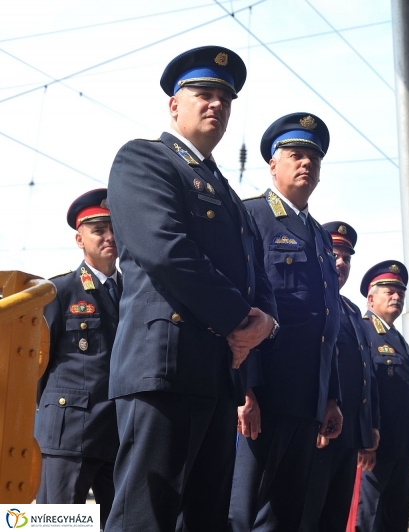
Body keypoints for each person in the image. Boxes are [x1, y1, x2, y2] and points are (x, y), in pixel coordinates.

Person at [105, 46, 278, 532]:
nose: (215, 105)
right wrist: (240, 321)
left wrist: (265, 322)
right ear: (173, 105)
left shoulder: (226, 192)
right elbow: (165, 250)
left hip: (220, 375)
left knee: (204, 519)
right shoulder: (145, 159)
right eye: (203, 93)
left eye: (225, 98)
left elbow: (255, 273)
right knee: (145, 517)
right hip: (165, 367)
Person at [228, 112, 342, 532]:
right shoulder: (252, 217)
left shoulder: (318, 236)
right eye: (295, 154)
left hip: (307, 396)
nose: (306, 163)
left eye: (314, 157)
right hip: (264, 393)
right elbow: (244, 306)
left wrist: (331, 396)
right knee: (243, 509)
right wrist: (247, 390)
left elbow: (327, 323)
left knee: (286, 513)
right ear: (273, 164)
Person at [35, 189, 120, 528]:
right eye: (99, 229)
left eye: (114, 228)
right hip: (69, 435)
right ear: (79, 239)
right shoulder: (58, 292)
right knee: (59, 524)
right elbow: (38, 364)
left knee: (120, 522)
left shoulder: (133, 293)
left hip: (118, 434)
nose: (109, 236)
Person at [298, 221, 380, 532]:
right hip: (317, 431)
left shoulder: (349, 309)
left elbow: (362, 375)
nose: (341, 262)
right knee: (308, 516)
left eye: (347, 256)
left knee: (334, 518)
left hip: (345, 434)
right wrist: (317, 414)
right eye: (334, 253)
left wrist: (367, 427)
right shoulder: (309, 300)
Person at [356, 260, 409, 532]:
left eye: (401, 292)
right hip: (375, 447)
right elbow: (361, 387)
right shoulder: (362, 330)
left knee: (394, 522)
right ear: (371, 298)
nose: (397, 296)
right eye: (389, 291)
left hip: (399, 450)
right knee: (368, 520)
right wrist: (365, 439)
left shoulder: (399, 340)